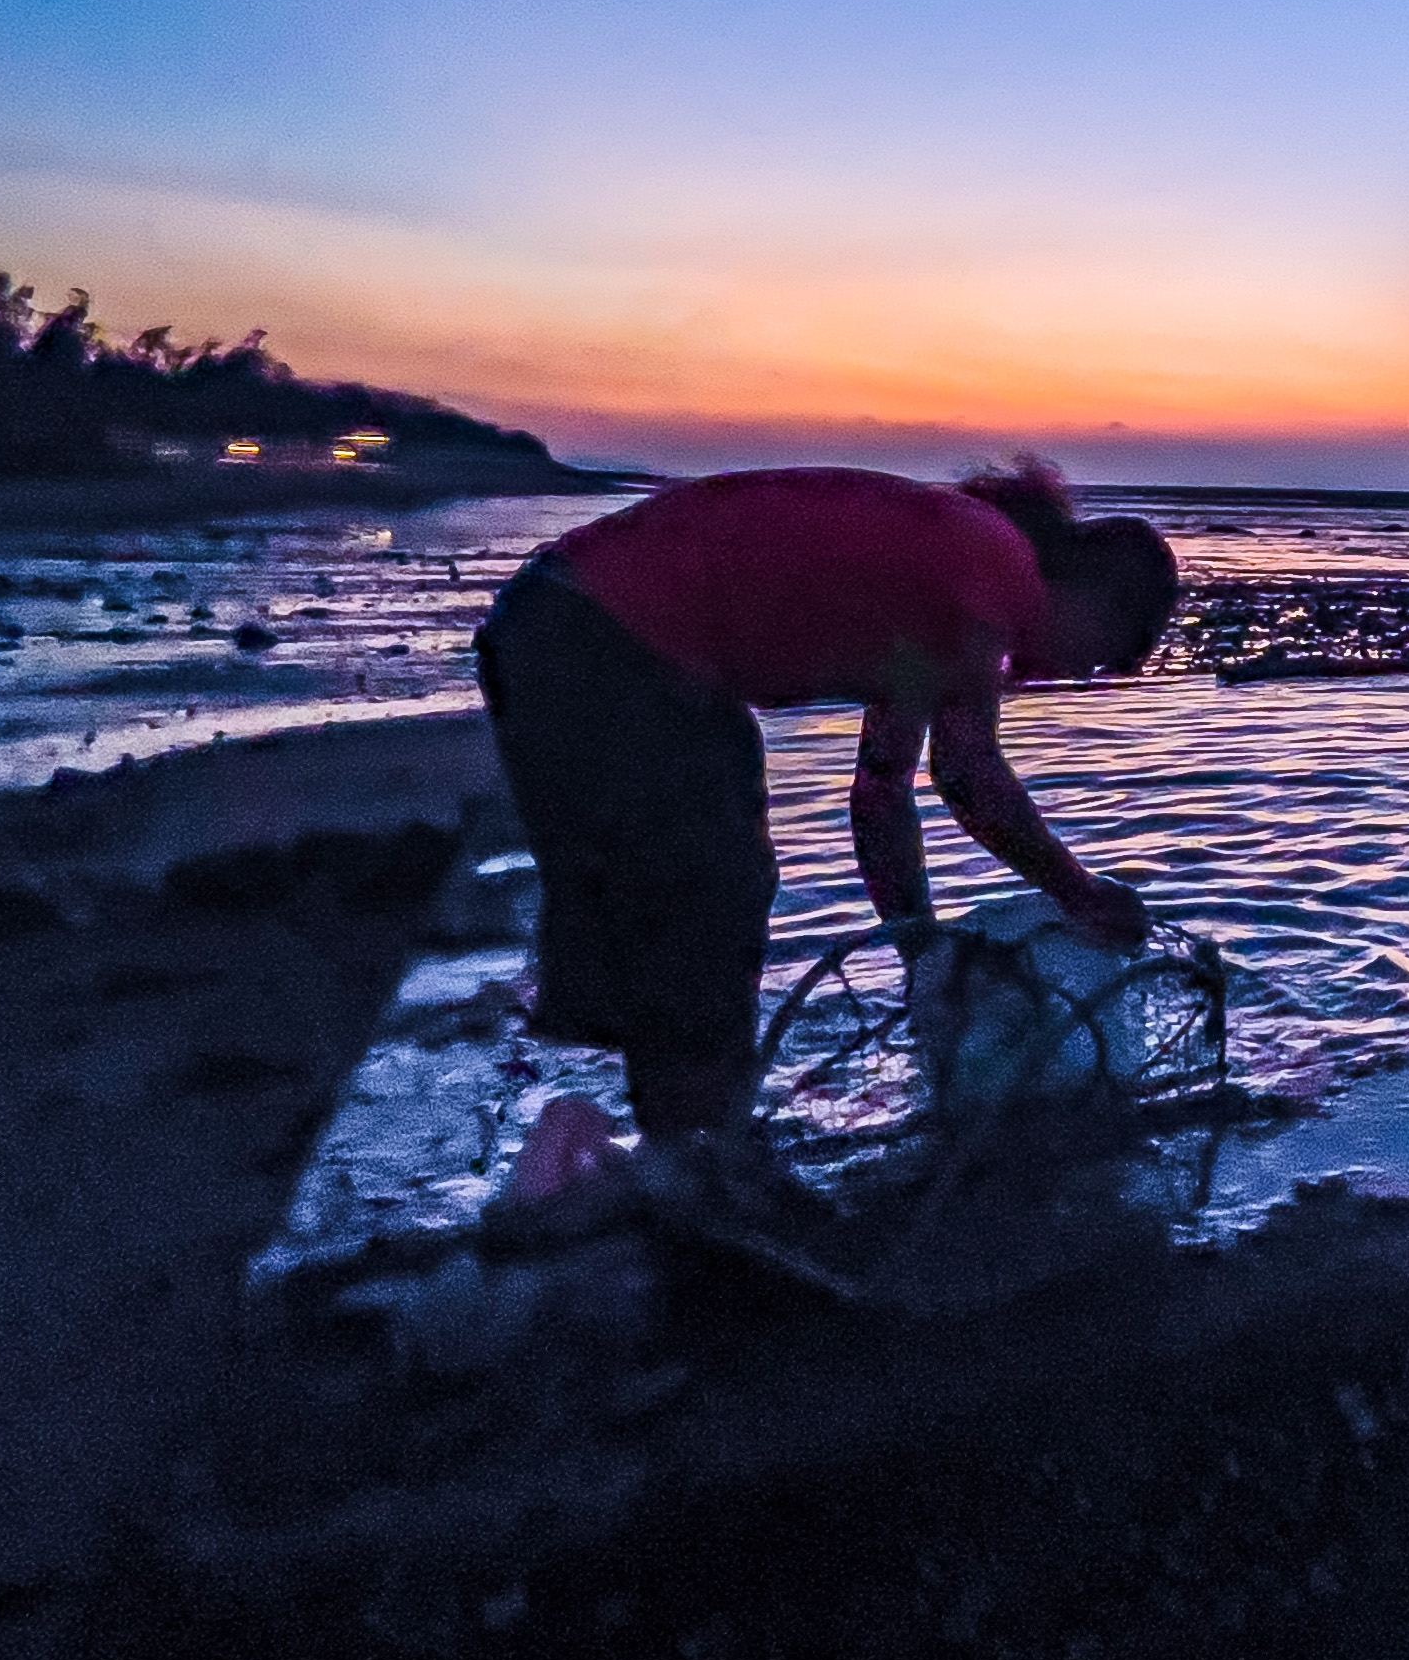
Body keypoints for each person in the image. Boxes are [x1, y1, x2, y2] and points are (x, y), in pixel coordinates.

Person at [473, 460, 1176, 1196]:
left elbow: (881, 796)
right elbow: (968, 775)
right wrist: (1081, 896)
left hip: (558, 622)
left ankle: (686, 1148)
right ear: (1096, 596)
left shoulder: (940, 604)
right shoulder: (993, 561)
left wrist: (918, 951)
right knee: (704, 888)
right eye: (1095, 657)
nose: (1071, 675)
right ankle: (695, 1160)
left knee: (706, 876)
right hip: (595, 633)